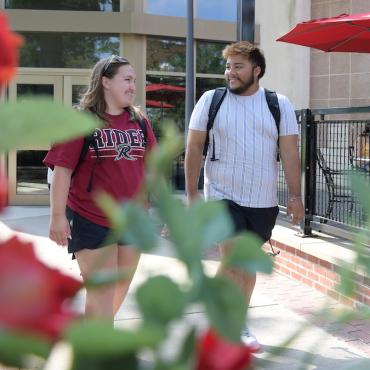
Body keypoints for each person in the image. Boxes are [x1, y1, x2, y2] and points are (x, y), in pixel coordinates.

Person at [185, 41, 304, 351]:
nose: (230, 72)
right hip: (222, 195)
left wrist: (295, 195)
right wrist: (193, 193)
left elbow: (290, 152)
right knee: (235, 259)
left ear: (257, 70)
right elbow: (195, 146)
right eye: (228, 66)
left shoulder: (279, 104)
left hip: (263, 201)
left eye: (238, 66)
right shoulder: (211, 100)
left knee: (246, 267)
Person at [43, 55, 157, 321]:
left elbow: (152, 168)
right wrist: (57, 217)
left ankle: (93, 335)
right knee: (103, 289)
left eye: (134, 81)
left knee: (120, 285)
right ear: (105, 82)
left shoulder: (139, 121)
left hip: (133, 220)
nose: (133, 86)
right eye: (127, 80)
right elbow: (62, 171)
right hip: (90, 218)